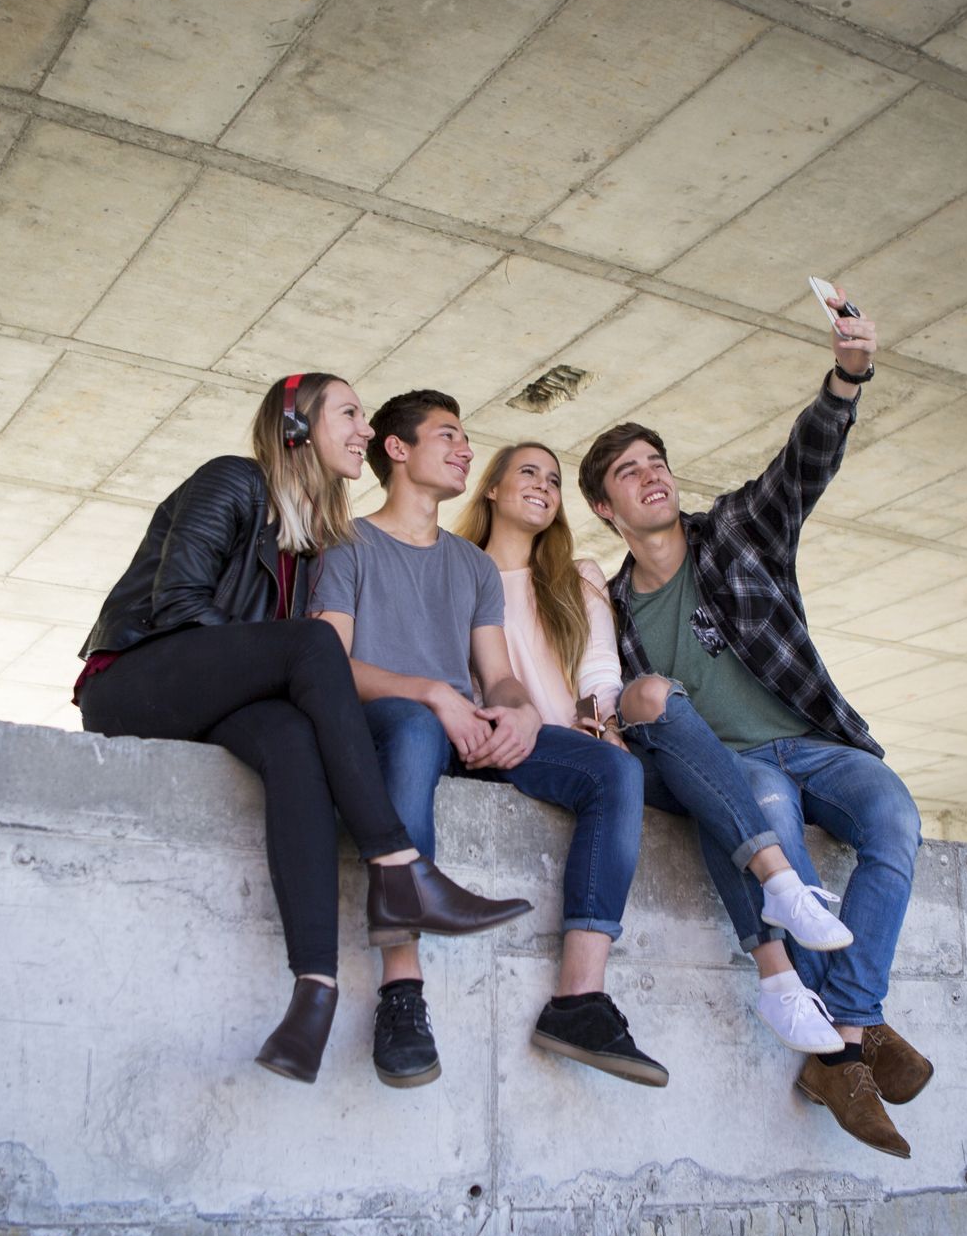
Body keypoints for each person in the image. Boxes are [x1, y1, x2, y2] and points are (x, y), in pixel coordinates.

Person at [75, 373, 530, 1087]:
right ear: (295, 426)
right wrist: (292, 662)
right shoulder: (232, 482)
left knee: (294, 745)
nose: (360, 430)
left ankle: (311, 995)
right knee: (318, 647)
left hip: (220, 697)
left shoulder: (312, 541)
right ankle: (398, 868)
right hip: (136, 682)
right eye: (347, 414)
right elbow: (178, 607)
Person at [578, 295, 934, 1158]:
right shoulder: (613, 614)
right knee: (769, 826)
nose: (651, 473)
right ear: (603, 509)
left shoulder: (737, 532)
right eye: (628, 470)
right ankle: (850, 1041)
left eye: (656, 459)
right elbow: (605, 696)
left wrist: (847, 377)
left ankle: (844, 1031)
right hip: (737, 767)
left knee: (893, 817)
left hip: (815, 739)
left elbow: (801, 464)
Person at [454, 442, 855, 1062]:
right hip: (526, 748)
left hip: (596, 742)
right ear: (490, 490)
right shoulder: (458, 572)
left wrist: (604, 724)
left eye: (553, 479)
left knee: (678, 732)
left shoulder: (578, 576)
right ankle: (781, 921)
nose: (542, 485)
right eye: (527, 473)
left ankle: (779, 971)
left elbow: (599, 675)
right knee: (710, 781)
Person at [312, 392, 663, 1090]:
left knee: (612, 774)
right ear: (398, 450)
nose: (465, 449)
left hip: (464, 728)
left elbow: (498, 677)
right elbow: (328, 665)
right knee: (415, 730)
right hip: (397, 720)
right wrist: (434, 693)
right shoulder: (346, 544)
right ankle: (401, 993)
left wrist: (520, 714)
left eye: (467, 438)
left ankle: (579, 999)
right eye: (449, 436)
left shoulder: (470, 568)